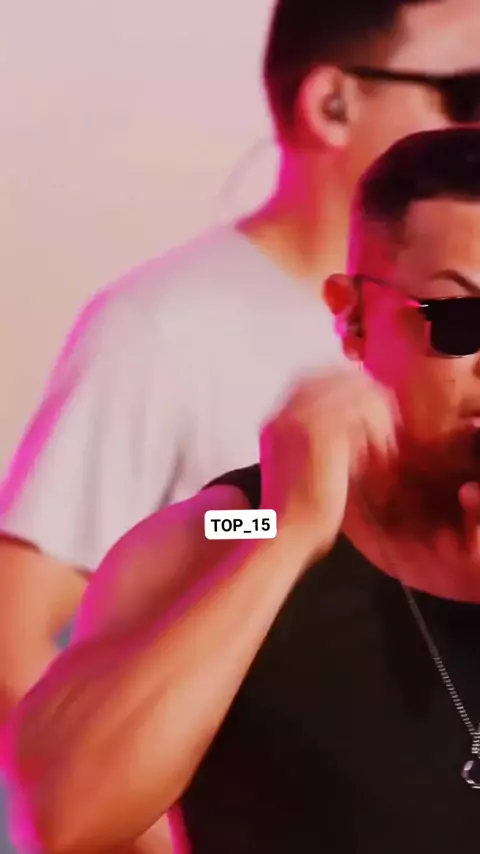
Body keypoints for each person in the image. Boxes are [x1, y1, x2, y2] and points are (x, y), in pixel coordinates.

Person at [0, 0, 479, 743]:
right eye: (466, 91)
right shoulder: (165, 330)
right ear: (331, 102)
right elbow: (17, 635)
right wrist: (270, 521)